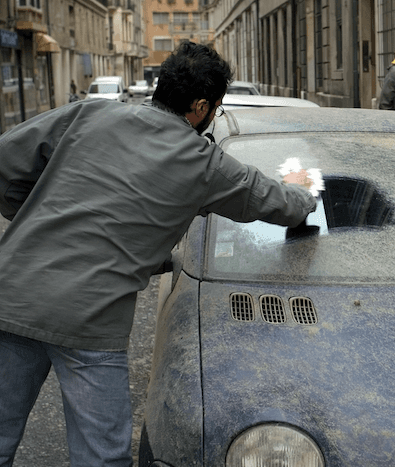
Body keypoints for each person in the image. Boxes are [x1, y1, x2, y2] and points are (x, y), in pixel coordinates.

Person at [0, 41, 315, 466]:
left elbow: (6, 163)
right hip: (88, 318)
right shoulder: (204, 163)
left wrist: (37, 219)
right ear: (200, 107)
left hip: (11, 293)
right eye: (216, 108)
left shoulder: (89, 114)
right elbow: (276, 202)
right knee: (100, 457)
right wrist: (303, 188)